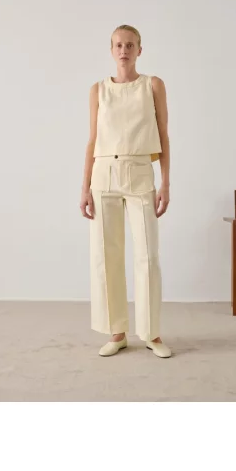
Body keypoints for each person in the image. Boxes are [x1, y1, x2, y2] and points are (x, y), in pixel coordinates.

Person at [80, 25, 171, 359]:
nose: (124, 50)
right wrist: (84, 187)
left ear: (139, 50)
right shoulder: (98, 90)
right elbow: (92, 139)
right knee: (106, 255)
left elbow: (163, 134)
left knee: (147, 255)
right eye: (118, 45)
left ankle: (151, 333)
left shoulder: (153, 85)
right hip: (103, 174)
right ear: (111, 49)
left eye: (130, 45)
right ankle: (116, 332)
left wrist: (166, 182)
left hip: (139, 172)